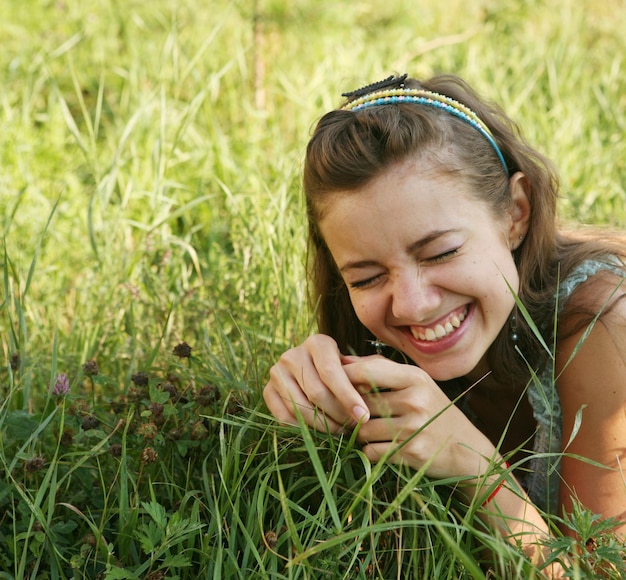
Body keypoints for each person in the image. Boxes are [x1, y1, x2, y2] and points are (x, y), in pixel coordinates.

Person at [263, 72, 626, 574]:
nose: (411, 306)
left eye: (441, 252)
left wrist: (477, 468)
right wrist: (315, 391)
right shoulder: (377, 333)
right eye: (366, 277)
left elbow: (600, 571)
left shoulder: (601, 321)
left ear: (516, 214)